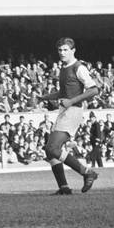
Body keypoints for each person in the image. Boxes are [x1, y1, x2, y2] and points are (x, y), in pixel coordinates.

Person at [36, 37, 99, 195]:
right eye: (60, 50)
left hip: (73, 111)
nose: (62, 53)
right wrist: (46, 97)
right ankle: (64, 187)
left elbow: (93, 89)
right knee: (50, 151)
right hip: (65, 111)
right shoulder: (64, 68)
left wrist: (71, 102)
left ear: (73, 50)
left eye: (65, 50)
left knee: (52, 147)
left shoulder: (79, 67)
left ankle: (86, 172)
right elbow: (63, 93)